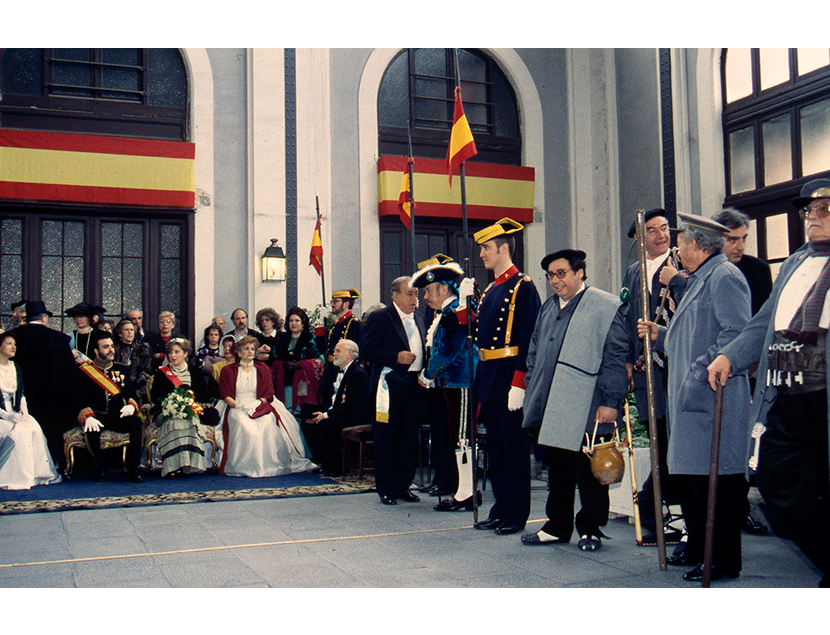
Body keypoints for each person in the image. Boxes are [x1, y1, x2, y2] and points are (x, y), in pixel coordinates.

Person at [707, 178, 830, 588]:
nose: (813, 217)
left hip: (825, 390)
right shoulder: (796, 261)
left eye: (824, 209)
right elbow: (765, 321)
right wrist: (730, 355)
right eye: (809, 211)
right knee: (776, 480)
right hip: (787, 390)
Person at [639, 211, 751, 582]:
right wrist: (662, 333)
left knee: (715, 485)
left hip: (711, 398)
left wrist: (697, 371)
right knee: (693, 483)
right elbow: (690, 333)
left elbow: (736, 334)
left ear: (698, 246)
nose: (677, 248)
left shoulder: (725, 277)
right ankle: (703, 549)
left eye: (682, 242)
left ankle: (721, 560)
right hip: (691, 402)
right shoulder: (701, 277)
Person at [520, 249, 629, 551]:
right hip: (552, 401)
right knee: (558, 468)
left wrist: (610, 401)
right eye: (550, 276)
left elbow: (616, 356)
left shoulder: (604, 306)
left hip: (590, 402)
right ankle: (557, 526)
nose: (555, 281)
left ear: (580, 272)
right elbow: (535, 350)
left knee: (589, 470)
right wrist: (532, 385)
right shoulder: (547, 307)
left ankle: (590, 528)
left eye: (561, 273)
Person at [471, 218, 541, 535]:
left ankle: (516, 513)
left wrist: (520, 381)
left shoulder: (522, 286)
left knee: (513, 449)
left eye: (486, 248)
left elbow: (529, 337)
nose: (482, 254)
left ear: (503, 248)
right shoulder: (489, 291)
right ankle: (500, 508)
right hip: (489, 376)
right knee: (496, 450)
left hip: (509, 376)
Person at [621, 209, 683, 542]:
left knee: (673, 440)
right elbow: (628, 316)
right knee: (658, 435)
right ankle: (657, 509)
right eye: (652, 230)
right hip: (647, 371)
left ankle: (656, 506)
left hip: (674, 364)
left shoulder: (681, 267)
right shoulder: (634, 272)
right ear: (639, 238)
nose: (661, 235)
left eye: (664, 228)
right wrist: (628, 360)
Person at [712, 207, 774, 535]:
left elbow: (761, 323)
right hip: (717, 367)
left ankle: (743, 507)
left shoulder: (758, 270)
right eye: (731, 239)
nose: (739, 246)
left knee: (747, 444)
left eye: (743, 239)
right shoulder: (709, 272)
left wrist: (751, 365)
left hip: (749, 371)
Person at [411, 256, 478, 511]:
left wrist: (428, 373)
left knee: (462, 438)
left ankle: (465, 493)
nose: (426, 297)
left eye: (429, 291)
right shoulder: (446, 313)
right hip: (450, 383)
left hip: (459, 382)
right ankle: (463, 491)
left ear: (443, 288)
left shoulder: (454, 312)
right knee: (457, 438)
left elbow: (449, 349)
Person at [363, 276, 427, 505]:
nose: (414, 299)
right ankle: (387, 488)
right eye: (409, 294)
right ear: (395, 295)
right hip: (389, 384)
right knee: (386, 437)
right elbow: (367, 352)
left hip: (415, 385)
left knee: (409, 437)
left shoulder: (421, 317)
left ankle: (403, 485)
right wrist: (395, 357)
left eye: (416, 294)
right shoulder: (381, 317)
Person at [216, 335, 316, 477]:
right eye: (246, 349)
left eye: (253, 349)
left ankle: (270, 464)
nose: (250, 352)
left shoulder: (262, 368)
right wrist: (239, 406)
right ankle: (245, 465)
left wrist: (258, 403)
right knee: (243, 424)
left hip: (260, 404)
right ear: (238, 352)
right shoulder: (228, 370)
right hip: (236, 405)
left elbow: (269, 393)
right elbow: (225, 395)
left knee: (267, 422)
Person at [10, 300, 78, 467]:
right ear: (43, 317)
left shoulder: (13, 337)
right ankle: (58, 462)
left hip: (22, 395)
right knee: (53, 431)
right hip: (53, 397)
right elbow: (70, 373)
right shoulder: (58, 338)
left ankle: (23, 465)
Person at [75, 330, 145, 483]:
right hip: (97, 416)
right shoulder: (84, 372)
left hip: (117, 415)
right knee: (91, 428)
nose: (111, 350)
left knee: (136, 422)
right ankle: (99, 469)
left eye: (112, 346)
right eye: (105, 347)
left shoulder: (122, 370)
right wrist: (88, 416)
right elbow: (79, 399)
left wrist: (132, 406)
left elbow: (131, 394)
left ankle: (134, 469)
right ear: (96, 351)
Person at [0, 331, 62, 490]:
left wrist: (24, 412)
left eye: (14, 344)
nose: (13, 347)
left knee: (34, 428)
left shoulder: (16, 367)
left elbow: (21, 394)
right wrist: (7, 415)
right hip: (2, 415)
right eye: (9, 343)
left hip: (16, 413)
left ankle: (38, 474)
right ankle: (18, 477)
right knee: (19, 434)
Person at [302, 339, 372, 476]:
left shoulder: (358, 373)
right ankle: (324, 461)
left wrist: (326, 415)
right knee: (306, 416)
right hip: (339, 411)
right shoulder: (337, 371)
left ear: (350, 354)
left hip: (354, 416)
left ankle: (336, 465)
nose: (334, 353)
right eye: (334, 351)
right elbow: (331, 399)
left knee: (326, 424)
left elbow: (352, 405)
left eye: (338, 351)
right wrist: (321, 412)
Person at [149, 338, 218, 477]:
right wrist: (172, 403)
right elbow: (156, 396)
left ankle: (189, 464)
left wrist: (189, 399)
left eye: (177, 352)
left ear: (185, 354)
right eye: (170, 352)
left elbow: (204, 394)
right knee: (175, 422)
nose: (172, 356)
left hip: (190, 410)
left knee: (189, 421)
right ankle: (172, 466)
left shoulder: (195, 372)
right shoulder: (161, 373)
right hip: (166, 411)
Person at [271, 306, 323, 414]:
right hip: (285, 381)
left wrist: (301, 365)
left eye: (297, 320)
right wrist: (283, 364)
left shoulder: (310, 338)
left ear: (303, 323)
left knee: (299, 412)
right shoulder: (281, 338)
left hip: (303, 384)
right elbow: (273, 359)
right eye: (291, 320)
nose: (293, 323)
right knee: (286, 411)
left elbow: (318, 360)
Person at [317, 289, 363, 371]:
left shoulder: (354, 323)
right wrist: (321, 324)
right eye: (332, 301)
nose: (332, 304)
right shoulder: (335, 325)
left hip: (344, 370)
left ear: (346, 304)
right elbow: (322, 347)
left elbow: (357, 353)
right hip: (332, 369)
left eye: (336, 301)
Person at [113, 318, 153, 404]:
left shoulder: (142, 348)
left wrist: (137, 383)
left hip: (138, 387)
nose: (130, 332)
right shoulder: (115, 349)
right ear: (120, 333)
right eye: (126, 330)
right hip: (119, 386)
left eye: (131, 330)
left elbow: (146, 369)